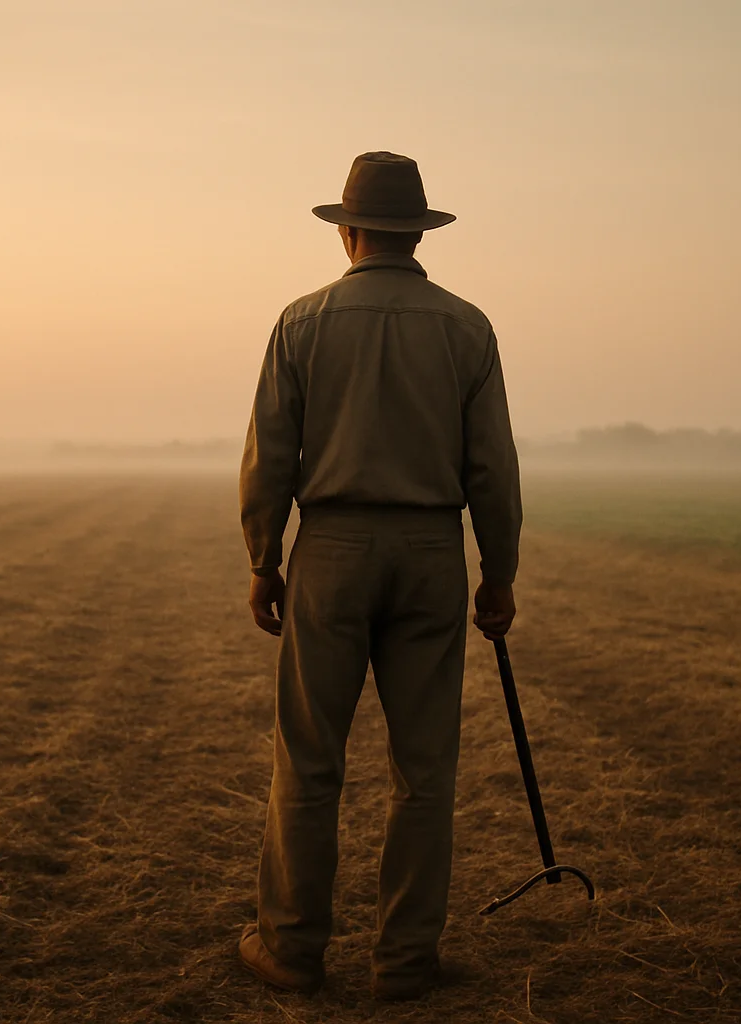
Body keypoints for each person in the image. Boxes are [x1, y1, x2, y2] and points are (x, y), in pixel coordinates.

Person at [237, 151, 522, 1001]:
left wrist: (264, 557)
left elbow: (270, 456)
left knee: (309, 760)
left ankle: (291, 949)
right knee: (424, 769)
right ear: (415, 232)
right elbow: (493, 470)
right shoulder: (468, 327)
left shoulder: (303, 320)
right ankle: (405, 961)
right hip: (432, 555)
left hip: (330, 549)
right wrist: (498, 573)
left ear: (349, 233)